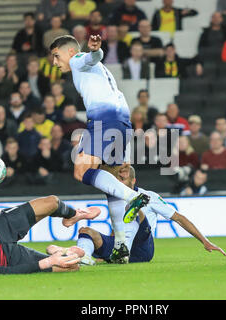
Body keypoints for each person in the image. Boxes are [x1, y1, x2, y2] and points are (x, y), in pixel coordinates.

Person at [50, 34, 151, 263]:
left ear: (69, 52)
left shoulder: (78, 60)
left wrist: (95, 50)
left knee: (81, 171)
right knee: (109, 182)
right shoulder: (94, 68)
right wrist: (96, 53)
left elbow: (91, 58)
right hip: (122, 120)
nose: (55, 63)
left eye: (56, 56)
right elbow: (95, 59)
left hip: (104, 120)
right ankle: (121, 246)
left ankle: (133, 196)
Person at [51, 166, 225, 265]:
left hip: (143, 247)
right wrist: (107, 255)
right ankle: (86, 257)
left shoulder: (151, 196)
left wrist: (205, 241)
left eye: (123, 180)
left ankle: (136, 206)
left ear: (133, 181)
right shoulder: (114, 197)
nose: (118, 184)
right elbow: (114, 231)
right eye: (116, 181)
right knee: (86, 231)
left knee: (131, 207)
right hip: (124, 246)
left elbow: (179, 218)